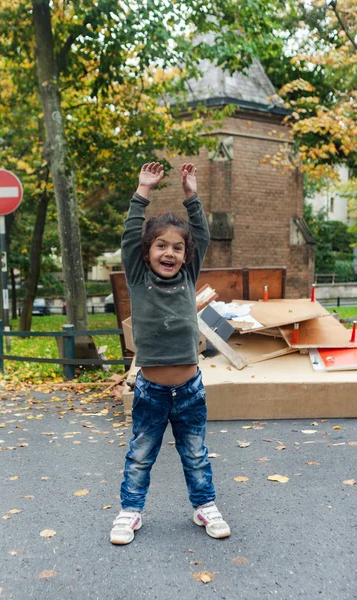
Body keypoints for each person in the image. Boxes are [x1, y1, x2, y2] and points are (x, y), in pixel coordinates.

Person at [110, 162, 230, 545]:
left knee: (195, 453)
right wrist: (143, 189)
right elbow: (130, 235)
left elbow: (203, 236)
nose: (170, 252)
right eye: (161, 245)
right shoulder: (139, 278)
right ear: (147, 253)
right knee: (141, 454)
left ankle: (204, 505)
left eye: (178, 248)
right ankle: (130, 510)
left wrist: (192, 194)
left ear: (185, 255)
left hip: (190, 390)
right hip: (150, 391)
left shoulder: (189, 276)